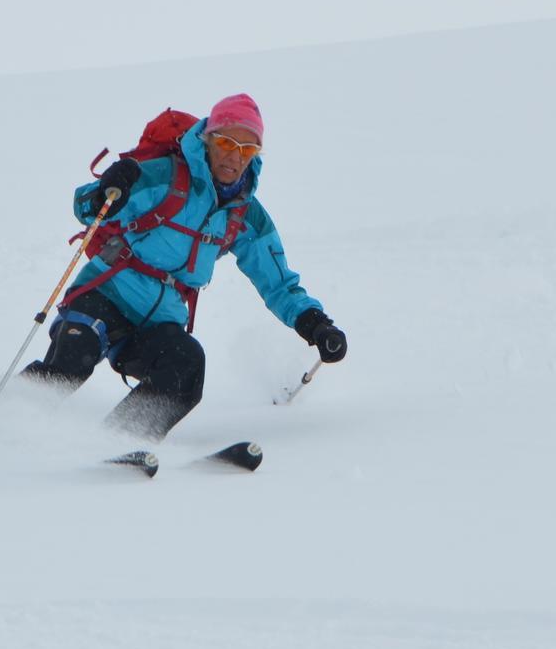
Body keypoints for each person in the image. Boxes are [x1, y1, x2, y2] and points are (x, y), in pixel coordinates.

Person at [21, 93, 347, 441]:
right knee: (74, 355)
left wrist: (315, 325)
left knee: (186, 367)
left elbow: (278, 284)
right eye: (225, 142)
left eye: (248, 149)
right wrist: (108, 187)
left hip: (160, 319)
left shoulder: (244, 214)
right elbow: (86, 207)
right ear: (207, 140)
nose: (235, 156)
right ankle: (5, 420)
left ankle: (117, 443)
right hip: (107, 292)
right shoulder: (165, 177)